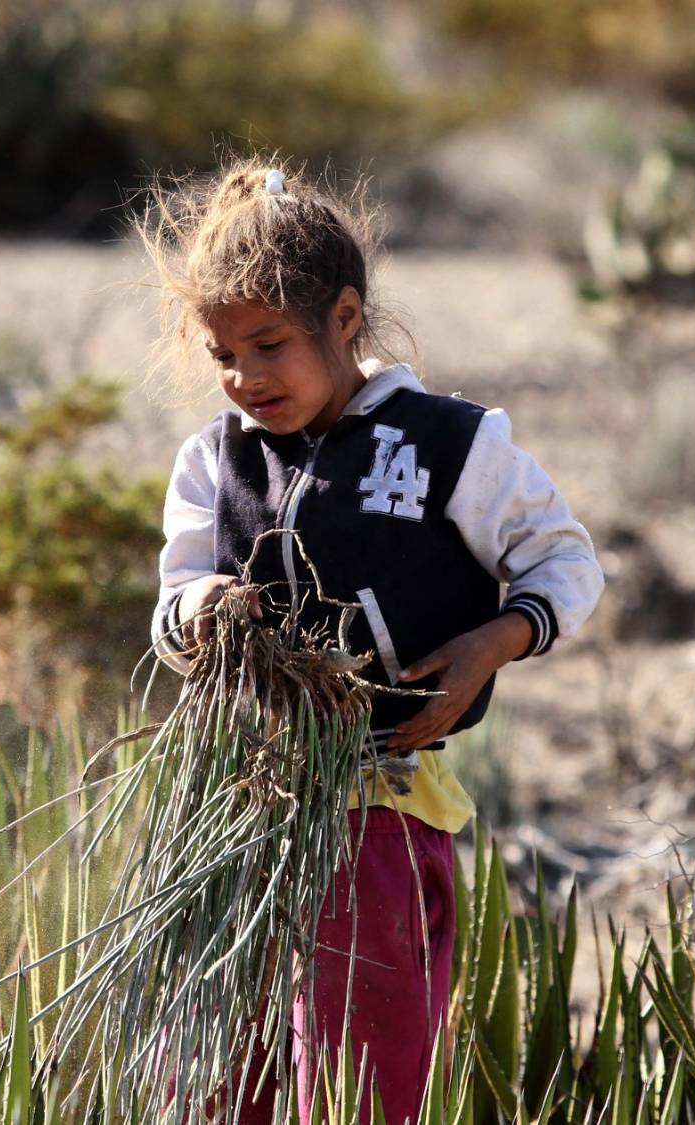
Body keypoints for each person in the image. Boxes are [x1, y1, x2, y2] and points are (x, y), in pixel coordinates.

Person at [137, 158, 604, 1124]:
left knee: (358, 1076)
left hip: (375, 817)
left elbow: (564, 563)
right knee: (219, 1072)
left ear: (343, 318)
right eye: (222, 353)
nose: (243, 378)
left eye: (268, 345)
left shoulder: (451, 444)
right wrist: (202, 613)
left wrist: (493, 641)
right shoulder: (212, 460)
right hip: (238, 808)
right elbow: (171, 599)